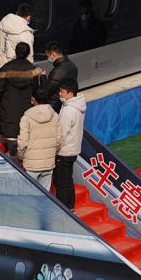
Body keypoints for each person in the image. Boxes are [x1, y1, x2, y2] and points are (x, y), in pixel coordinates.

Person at [0, 42, 43, 153]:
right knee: (25, 135)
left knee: (12, 139)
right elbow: (35, 90)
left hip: (8, 108)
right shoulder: (33, 70)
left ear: (16, 52)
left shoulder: (5, 69)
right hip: (26, 108)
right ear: (28, 53)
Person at [17, 86, 60, 191]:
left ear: (33, 99)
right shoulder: (55, 116)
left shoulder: (26, 118)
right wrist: (51, 154)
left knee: (28, 194)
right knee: (44, 196)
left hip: (31, 165)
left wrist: (21, 157)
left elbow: (22, 143)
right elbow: (59, 140)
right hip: (48, 163)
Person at [54, 78, 86, 210]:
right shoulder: (78, 106)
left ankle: (64, 209)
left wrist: (54, 149)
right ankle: (70, 206)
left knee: (62, 182)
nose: (59, 94)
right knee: (68, 180)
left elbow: (61, 134)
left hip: (64, 151)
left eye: (62, 92)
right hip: (73, 149)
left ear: (70, 93)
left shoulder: (68, 111)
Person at [0, 3, 34, 81]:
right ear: (29, 17)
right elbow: (29, 57)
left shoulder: (4, 21)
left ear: (16, 12)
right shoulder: (26, 34)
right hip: (14, 71)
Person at [43, 41, 78, 113]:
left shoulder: (57, 71)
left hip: (55, 106)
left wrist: (42, 77)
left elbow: (47, 90)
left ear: (53, 54)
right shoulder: (72, 65)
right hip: (68, 101)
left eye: (48, 56)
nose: (48, 59)